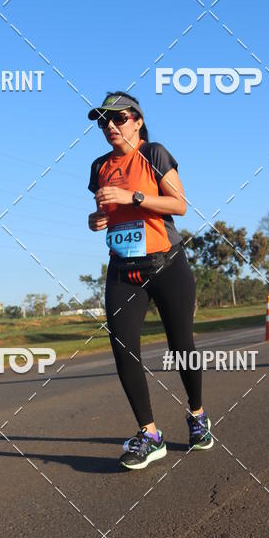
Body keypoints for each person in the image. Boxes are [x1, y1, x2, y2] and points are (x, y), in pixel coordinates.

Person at [87, 91, 213, 470]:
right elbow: (103, 213)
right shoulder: (99, 166)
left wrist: (135, 195)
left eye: (118, 118)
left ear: (137, 120)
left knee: (181, 344)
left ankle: (197, 415)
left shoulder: (154, 153)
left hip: (166, 263)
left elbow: (179, 205)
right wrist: (95, 221)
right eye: (102, 121)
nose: (110, 126)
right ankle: (150, 434)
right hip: (123, 268)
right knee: (122, 345)